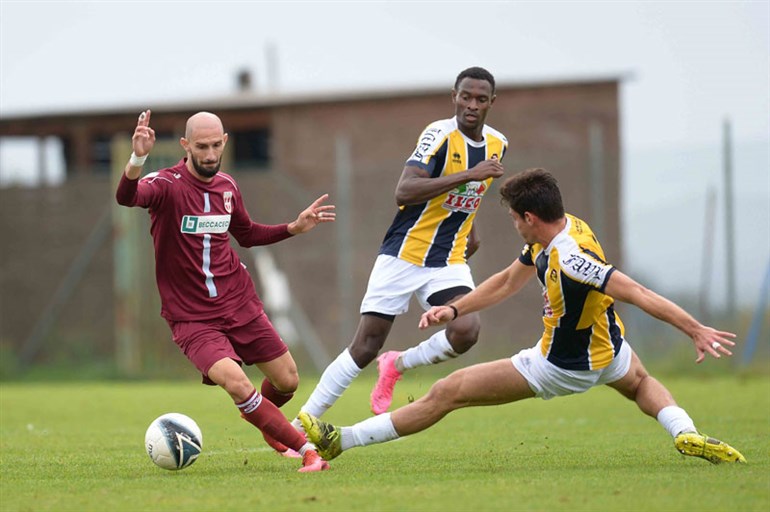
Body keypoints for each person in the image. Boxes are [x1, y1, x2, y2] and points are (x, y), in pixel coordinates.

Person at [299, 167, 746, 466]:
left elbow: (638, 292)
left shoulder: (572, 259)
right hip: (609, 349)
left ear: (530, 218)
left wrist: (695, 329)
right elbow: (506, 282)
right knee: (642, 382)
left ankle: (342, 440)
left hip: (559, 366)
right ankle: (685, 432)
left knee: (448, 391)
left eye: (514, 218)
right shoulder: (562, 227)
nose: (513, 225)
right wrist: (454, 308)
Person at [291, 66, 508, 433]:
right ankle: (299, 425)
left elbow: (473, 196)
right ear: (454, 96)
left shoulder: (498, 143)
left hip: (448, 259)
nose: (472, 105)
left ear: (491, 103)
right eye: (466, 97)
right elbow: (404, 191)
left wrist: (470, 229)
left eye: (480, 99)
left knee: (467, 330)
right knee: (365, 346)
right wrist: (469, 174)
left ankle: (399, 365)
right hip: (404, 254)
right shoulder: (438, 135)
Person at [116, 110, 335, 472]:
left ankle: (261, 418)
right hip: (191, 318)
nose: (210, 154)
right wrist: (138, 157)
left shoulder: (228, 187)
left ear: (225, 142)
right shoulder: (165, 185)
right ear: (186, 146)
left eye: (216, 145)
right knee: (236, 382)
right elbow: (127, 196)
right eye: (201, 146)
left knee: (287, 380)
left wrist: (293, 228)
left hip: (239, 302)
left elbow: (247, 234)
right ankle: (307, 451)